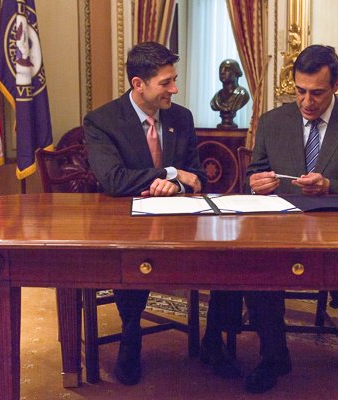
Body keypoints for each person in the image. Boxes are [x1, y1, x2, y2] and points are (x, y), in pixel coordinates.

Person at [242, 44, 338, 394]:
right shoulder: (273, 122)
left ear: (337, 83)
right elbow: (254, 175)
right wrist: (256, 183)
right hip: (280, 231)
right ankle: (273, 355)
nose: (306, 101)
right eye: (300, 91)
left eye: (317, 93)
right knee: (251, 268)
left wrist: (330, 186)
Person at [83, 41, 205, 385]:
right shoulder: (102, 121)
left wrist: (177, 186)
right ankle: (130, 332)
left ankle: (214, 343)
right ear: (138, 84)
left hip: (179, 225)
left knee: (224, 257)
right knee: (133, 255)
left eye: (174, 80)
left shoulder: (181, 118)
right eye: (166, 82)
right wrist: (169, 173)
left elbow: (198, 176)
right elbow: (114, 180)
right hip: (126, 224)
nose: (174, 89)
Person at [210, 59, 250, 129]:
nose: (222, 72)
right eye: (221, 69)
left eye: (227, 69)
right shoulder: (216, 98)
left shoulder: (243, 95)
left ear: (236, 73)